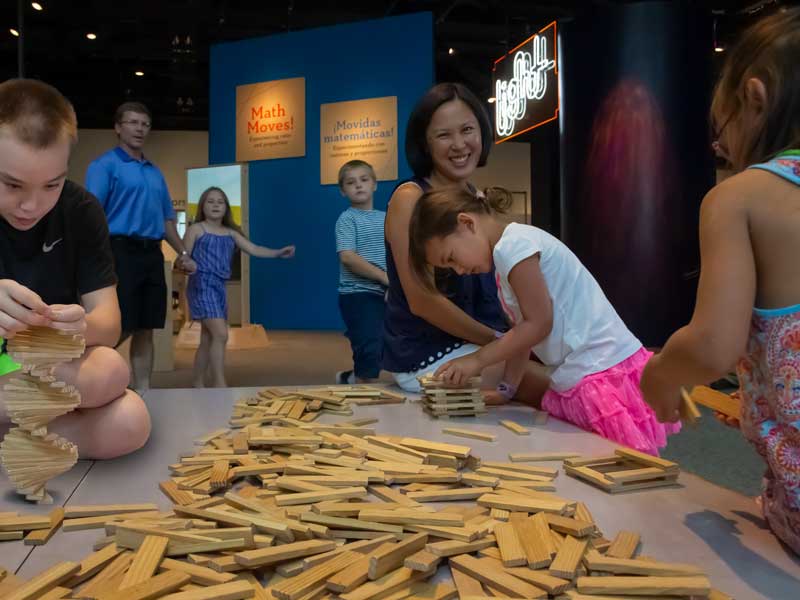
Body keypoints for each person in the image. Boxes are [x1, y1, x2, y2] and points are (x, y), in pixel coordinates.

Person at [641, 7, 800, 553]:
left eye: (722, 125)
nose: (720, 145)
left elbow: (713, 344)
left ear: (756, 98)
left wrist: (661, 374)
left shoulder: (741, 197)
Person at [408, 186, 680, 455]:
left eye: (452, 258)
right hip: (594, 367)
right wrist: (507, 389)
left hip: (600, 369)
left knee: (617, 464)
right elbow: (522, 333)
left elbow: (538, 325)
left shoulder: (512, 247)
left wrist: (477, 360)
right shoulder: (509, 253)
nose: (460, 271)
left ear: (466, 223)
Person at [0, 78, 150, 459]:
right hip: (21, 372)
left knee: (124, 405)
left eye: (51, 184)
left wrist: (77, 325)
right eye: (12, 185)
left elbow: (109, 323)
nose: (31, 205)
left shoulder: (80, 210)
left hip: (41, 365)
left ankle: (11, 435)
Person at [384, 82, 549, 401]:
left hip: (483, 342)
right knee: (559, 388)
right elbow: (423, 300)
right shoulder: (410, 198)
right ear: (425, 143)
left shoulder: (476, 198)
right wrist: (499, 341)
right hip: (428, 352)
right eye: (444, 135)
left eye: (467, 130)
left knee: (575, 369)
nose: (459, 144)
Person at [85, 101, 196, 395]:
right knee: (122, 324)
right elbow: (91, 216)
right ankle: (84, 372)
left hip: (152, 253)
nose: (140, 129)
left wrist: (184, 254)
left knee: (146, 325)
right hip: (118, 251)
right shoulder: (104, 166)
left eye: (145, 124)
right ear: (118, 128)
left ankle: (143, 390)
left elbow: (167, 220)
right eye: (133, 123)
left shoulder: (154, 172)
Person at [184, 186, 295, 388]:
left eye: (220, 202)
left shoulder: (231, 233)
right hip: (201, 284)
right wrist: (185, 263)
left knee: (208, 338)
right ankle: (219, 383)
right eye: (211, 201)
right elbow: (183, 257)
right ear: (202, 206)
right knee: (221, 334)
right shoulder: (196, 229)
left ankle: (197, 381)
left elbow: (254, 248)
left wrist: (278, 253)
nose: (216, 205)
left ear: (226, 207)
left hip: (219, 286)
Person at [335, 160, 388, 385]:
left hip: (386, 291)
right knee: (368, 343)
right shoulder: (347, 219)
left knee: (384, 344)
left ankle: (350, 378)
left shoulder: (386, 218)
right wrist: (385, 279)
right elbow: (348, 257)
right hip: (358, 294)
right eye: (351, 182)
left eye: (364, 180)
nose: (358, 186)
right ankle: (363, 388)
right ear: (343, 190)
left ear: (374, 184)